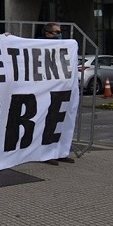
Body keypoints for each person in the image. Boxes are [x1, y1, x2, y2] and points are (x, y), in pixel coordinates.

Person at [40, 22, 75, 165]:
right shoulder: (39, 47)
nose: (59, 34)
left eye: (60, 32)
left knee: (62, 121)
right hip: (46, 91)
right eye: (56, 32)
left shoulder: (65, 47)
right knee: (46, 123)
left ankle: (61, 151)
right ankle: (45, 154)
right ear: (48, 33)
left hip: (61, 90)